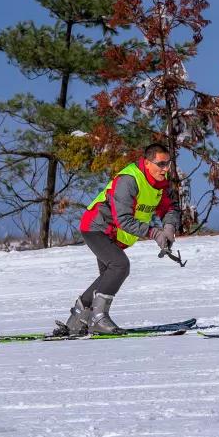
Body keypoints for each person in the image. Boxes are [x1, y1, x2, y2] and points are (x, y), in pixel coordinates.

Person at [56, 142, 182, 335]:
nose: (166, 169)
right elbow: (122, 219)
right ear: (147, 163)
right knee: (120, 266)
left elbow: (169, 207)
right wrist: (154, 233)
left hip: (115, 235)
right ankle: (98, 319)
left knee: (108, 276)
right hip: (97, 227)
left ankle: (77, 320)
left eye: (168, 164)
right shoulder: (129, 180)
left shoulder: (160, 183)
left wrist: (168, 227)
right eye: (161, 164)